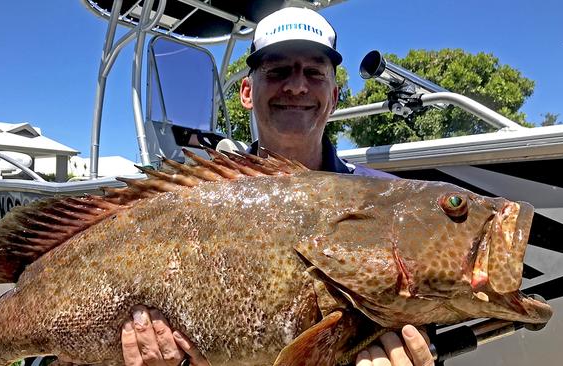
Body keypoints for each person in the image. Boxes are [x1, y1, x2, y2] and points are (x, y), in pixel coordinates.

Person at [120, 7, 434, 366]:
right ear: (247, 92)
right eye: (278, 70)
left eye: (314, 73)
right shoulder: (195, 199)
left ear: (333, 97)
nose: (297, 85)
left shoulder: (392, 202)